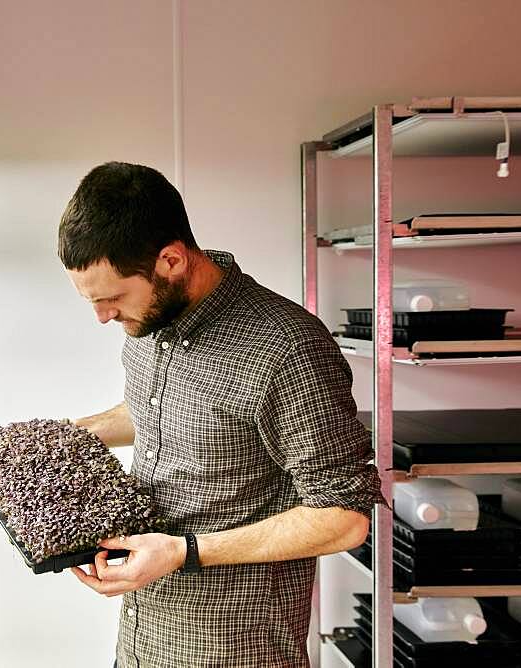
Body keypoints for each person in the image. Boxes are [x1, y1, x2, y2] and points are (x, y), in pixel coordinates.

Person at [57, 162, 384, 668]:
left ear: (170, 261)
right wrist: (65, 438)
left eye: (112, 298)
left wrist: (183, 552)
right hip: (143, 636)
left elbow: (343, 517)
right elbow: (160, 408)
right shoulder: (150, 324)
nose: (102, 317)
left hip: (237, 647)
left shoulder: (287, 349)